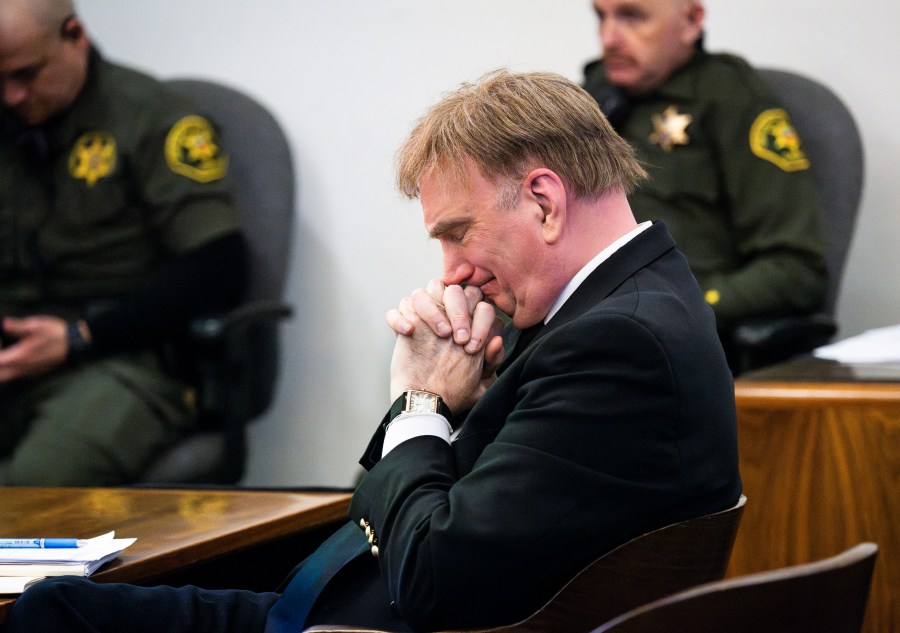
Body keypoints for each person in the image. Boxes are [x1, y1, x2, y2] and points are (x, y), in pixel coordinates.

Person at [2, 69, 741, 633]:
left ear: (545, 201)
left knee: (54, 610)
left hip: (356, 623)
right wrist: (451, 408)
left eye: (457, 230)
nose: (450, 269)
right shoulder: (621, 305)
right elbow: (426, 507)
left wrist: (419, 404)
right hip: (351, 595)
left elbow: (431, 574)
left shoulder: (616, 342)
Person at [0, 0, 247, 485]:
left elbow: (220, 268)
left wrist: (79, 338)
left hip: (122, 357)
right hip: (14, 357)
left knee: (34, 494)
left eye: (26, 74)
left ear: (75, 36)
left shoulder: (152, 119)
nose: (11, 95)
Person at [583, 0, 829, 365]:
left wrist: (688, 304)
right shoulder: (593, 97)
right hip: (588, 328)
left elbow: (796, 269)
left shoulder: (731, 98)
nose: (608, 38)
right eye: (601, 17)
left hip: (673, 345)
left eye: (632, 16)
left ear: (692, 20)